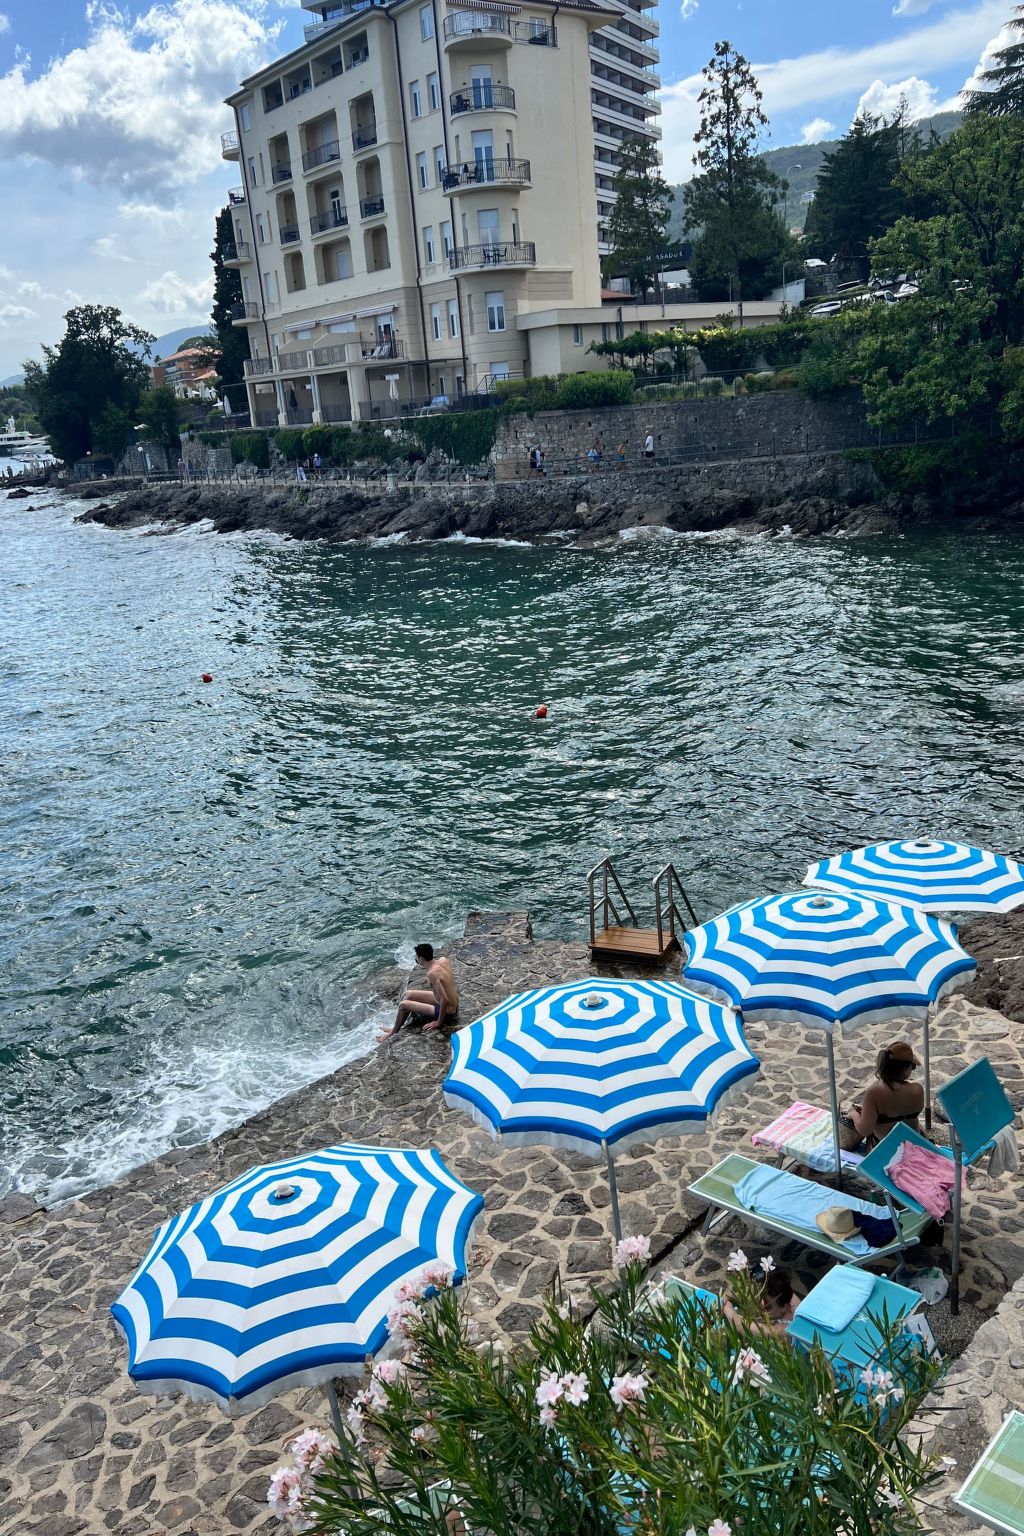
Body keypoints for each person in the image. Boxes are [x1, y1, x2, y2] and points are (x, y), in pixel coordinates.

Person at [841, 1041, 925, 1150]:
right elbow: (900, 1109)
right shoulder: (917, 1089)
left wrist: (853, 1115)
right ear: (905, 1069)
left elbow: (865, 1130)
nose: (912, 1069)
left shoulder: (874, 1093)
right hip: (915, 1144)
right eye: (912, 1067)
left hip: (888, 1148)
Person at [378, 944, 459, 1039]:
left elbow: (444, 999)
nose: (416, 958)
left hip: (448, 1011)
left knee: (403, 1005)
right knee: (409, 994)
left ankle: (393, 1033)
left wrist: (438, 1022)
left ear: (421, 959)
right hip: (452, 1003)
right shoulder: (443, 960)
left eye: (417, 956)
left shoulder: (432, 973)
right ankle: (398, 1027)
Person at [722, 1259, 799, 1337]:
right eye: (761, 1298)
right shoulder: (784, 1293)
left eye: (768, 1307)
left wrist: (730, 1313)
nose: (761, 1305)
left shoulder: (787, 1327)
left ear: (784, 1307)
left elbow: (744, 1327)